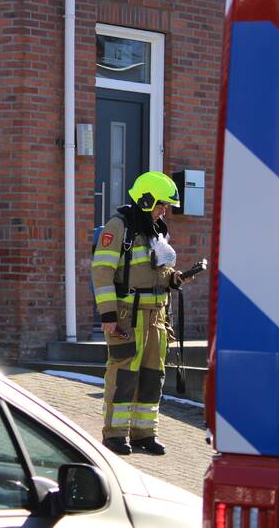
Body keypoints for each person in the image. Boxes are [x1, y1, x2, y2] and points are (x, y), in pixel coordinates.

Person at [91, 171, 186, 456]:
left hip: (156, 316)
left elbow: (158, 272)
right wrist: (108, 316)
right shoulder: (119, 227)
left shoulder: (156, 230)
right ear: (145, 200)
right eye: (160, 204)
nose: (163, 211)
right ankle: (115, 435)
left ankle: (145, 433)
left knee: (152, 376)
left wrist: (173, 279)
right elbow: (102, 272)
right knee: (123, 376)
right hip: (127, 317)